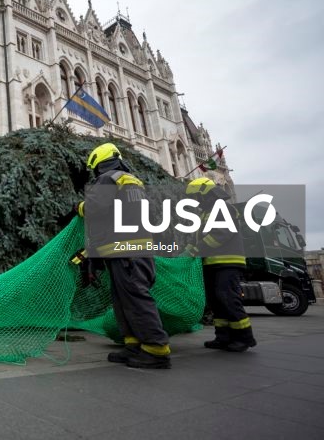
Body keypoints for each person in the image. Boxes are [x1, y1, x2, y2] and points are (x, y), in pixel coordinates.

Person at [75, 142, 171, 369]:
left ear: (98, 163)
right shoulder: (132, 181)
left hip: (127, 251)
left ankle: (156, 349)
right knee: (124, 299)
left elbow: (96, 208)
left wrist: (80, 207)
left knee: (135, 298)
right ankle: (133, 345)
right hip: (132, 249)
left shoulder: (108, 178)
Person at [184, 177, 256, 352]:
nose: (195, 201)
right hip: (212, 263)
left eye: (196, 197)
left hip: (228, 262)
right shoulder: (205, 213)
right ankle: (223, 337)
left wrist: (197, 250)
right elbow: (199, 237)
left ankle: (244, 338)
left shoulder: (224, 208)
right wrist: (187, 251)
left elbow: (220, 234)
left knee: (228, 298)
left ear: (205, 194)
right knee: (216, 301)